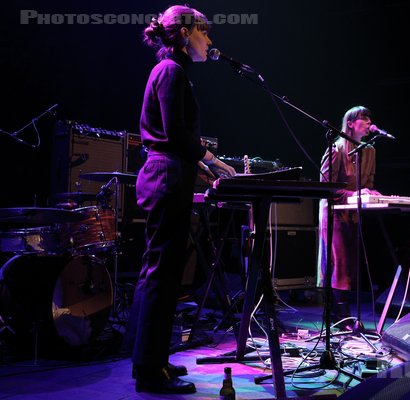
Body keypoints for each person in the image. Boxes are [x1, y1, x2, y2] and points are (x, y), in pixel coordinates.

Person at [126, 5, 236, 394]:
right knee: (162, 274)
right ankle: (149, 372)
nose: (209, 41)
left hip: (169, 174)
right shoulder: (171, 71)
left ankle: (149, 359)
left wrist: (203, 168)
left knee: (159, 271)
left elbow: (174, 138)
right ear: (187, 33)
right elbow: (174, 133)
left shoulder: (173, 71)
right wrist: (213, 160)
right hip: (166, 176)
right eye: (205, 33)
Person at [316, 106, 381, 324]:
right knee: (339, 263)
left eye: (370, 117)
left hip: (353, 212)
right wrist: (356, 193)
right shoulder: (337, 149)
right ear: (351, 123)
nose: (369, 121)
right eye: (364, 118)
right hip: (334, 212)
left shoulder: (370, 151)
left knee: (350, 265)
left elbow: (368, 182)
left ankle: (340, 314)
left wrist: (371, 192)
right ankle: (340, 317)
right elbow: (326, 187)